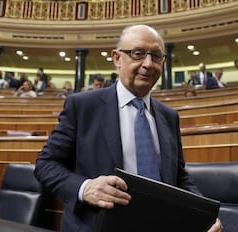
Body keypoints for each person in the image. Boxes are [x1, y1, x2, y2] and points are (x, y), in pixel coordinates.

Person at [34, 24, 222, 232]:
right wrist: (85, 188)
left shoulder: (170, 117)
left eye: (156, 56)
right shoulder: (82, 106)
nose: (148, 64)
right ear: (117, 58)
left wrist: (204, 215)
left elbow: (179, 176)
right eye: (138, 54)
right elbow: (45, 164)